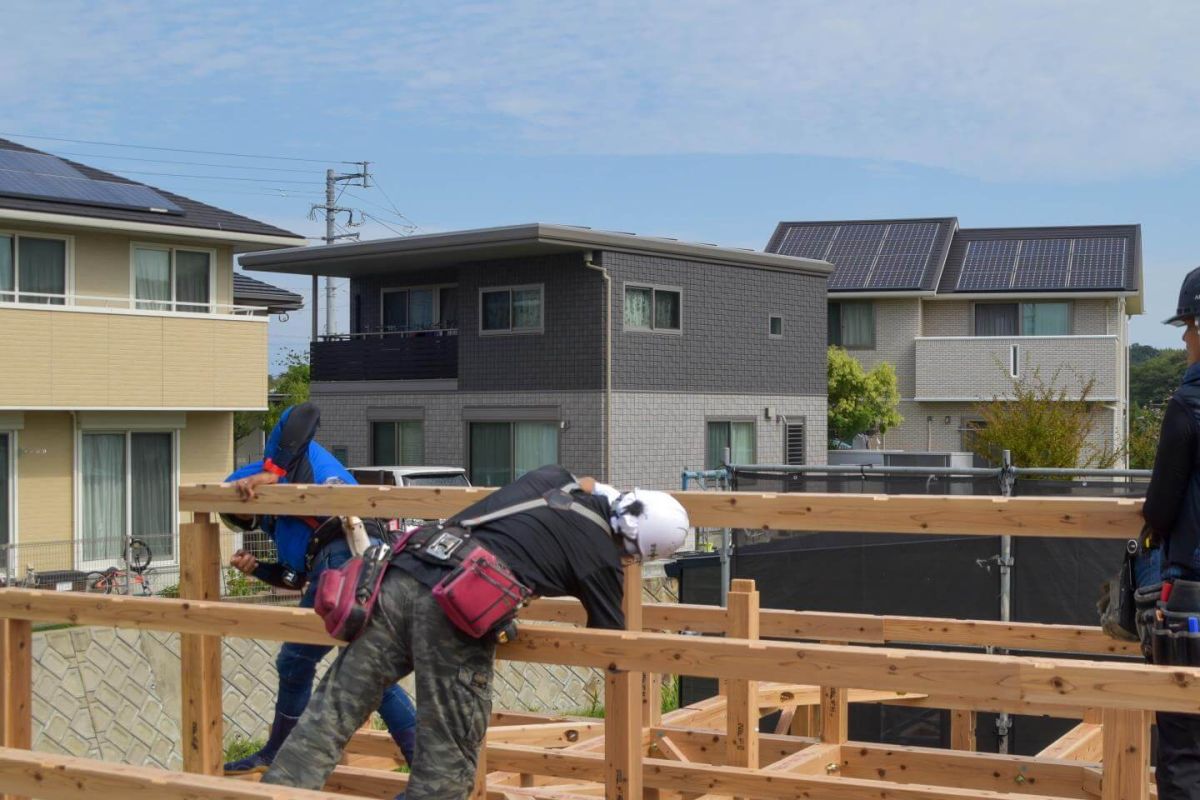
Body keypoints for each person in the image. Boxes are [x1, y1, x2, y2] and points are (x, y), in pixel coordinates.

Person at [260, 464, 692, 799]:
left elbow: (578, 491)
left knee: (330, 715)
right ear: (636, 548)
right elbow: (613, 641)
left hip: (399, 578)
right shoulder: (600, 556)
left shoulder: (553, 479)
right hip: (452, 611)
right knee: (445, 763)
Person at [220, 403, 418, 774]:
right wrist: (259, 570)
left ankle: (279, 753)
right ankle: (426, 762)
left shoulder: (284, 457)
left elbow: (305, 412)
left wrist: (270, 472)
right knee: (357, 664)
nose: (251, 519)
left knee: (319, 662)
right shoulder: (284, 528)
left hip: (348, 545)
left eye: (244, 509)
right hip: (352, 558)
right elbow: (297, 579)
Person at [1141, 265, 1200, 799]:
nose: (1183, 338)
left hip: (1193, 603)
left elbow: (1159, 510)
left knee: (1184, 749)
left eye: (1188, 324)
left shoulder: (1188, 405)